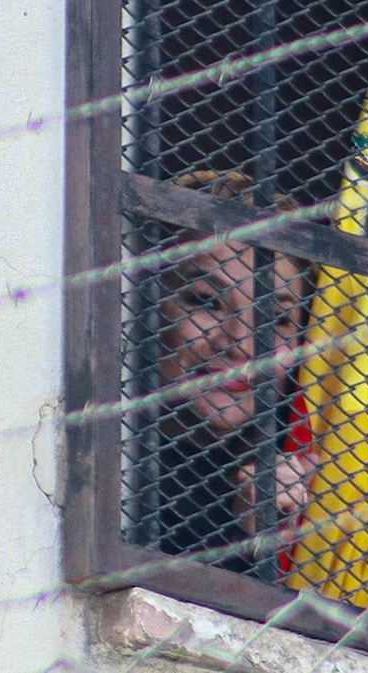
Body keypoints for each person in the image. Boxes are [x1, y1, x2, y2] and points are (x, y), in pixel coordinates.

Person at [152, 171, 316, 575]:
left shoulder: (320, 464)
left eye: (277, 318)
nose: (242, 343)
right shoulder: (114, 460)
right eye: (207, 301)